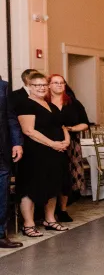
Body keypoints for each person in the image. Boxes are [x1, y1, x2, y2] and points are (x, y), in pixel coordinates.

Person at [16, 72, 69, 237]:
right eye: (37, 85)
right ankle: (28, 224)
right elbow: (29, 130)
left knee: (53, 185)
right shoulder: (25, 104)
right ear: (29, 87)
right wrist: (52, 143)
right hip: (35, 152)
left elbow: (62, 126)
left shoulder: (50, 105)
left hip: (55, 152)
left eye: (44, 85)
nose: (41, 88)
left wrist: (66, 141)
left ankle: (50, 219)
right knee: (30, 187)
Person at [47, 75, 89, 222]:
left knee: (68, 176)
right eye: (55, 83)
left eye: (61, 83)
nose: (59, 85)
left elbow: (85, 123)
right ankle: (48, 211)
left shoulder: (73, 103)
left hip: (71, 144)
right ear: (49, 85)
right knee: (51, 175)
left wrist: (70, 128)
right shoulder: (43, 102)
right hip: (48, 143)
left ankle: (63, 209)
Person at [0, 76, 24, 248]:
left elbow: (10, 118)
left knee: (2, 192)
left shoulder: (3, 87)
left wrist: (17, 143)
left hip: (2, 150)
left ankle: (0, 234)